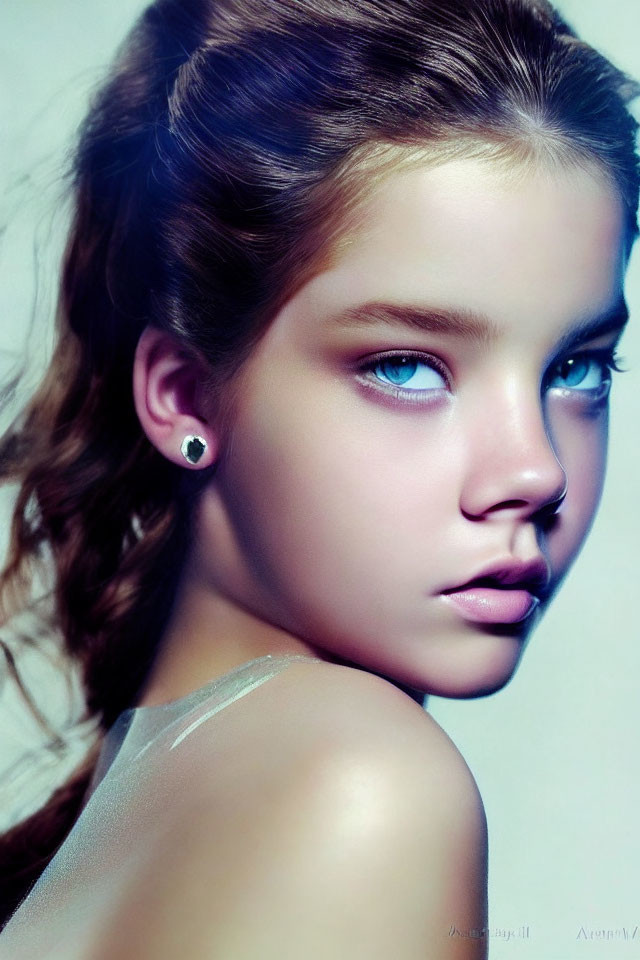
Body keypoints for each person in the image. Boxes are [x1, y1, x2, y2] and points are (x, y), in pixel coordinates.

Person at [0, 0, 637, 956]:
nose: (536, 471)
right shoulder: (361, 784)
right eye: (407, 367)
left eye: (576, 368)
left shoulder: (131, 801)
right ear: (184, 396)